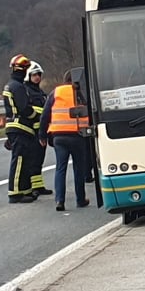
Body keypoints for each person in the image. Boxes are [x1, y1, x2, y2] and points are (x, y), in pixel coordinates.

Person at [39, 70, 90, 212]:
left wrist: (42, 135)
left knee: (60, 168)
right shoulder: (79, 92)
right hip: (77, 135)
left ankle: (59, 201)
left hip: (58, 136)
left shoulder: (56, 92)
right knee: (79, 169)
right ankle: (80, 199)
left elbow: (45, 115)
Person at [3, 54, 40, 203]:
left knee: (24, 160)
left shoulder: (13, 85)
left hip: (18, 127)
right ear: (24, 70)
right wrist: (36, 116)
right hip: (20, 127)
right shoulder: (17, 87)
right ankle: (15, 193)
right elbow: (24, 108)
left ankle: (25, 190)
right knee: (18, 160)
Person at [24, 61, 52, 196]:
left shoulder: (39, 91)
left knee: (40, 158)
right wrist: (43, 114)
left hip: (41, 130)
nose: (37, 77)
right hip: (32, 131)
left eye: (39, 75)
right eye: (34, 75)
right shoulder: (26, 91)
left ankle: (39, 186)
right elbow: (30, 109)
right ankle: (33, 187)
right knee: (33, 159)